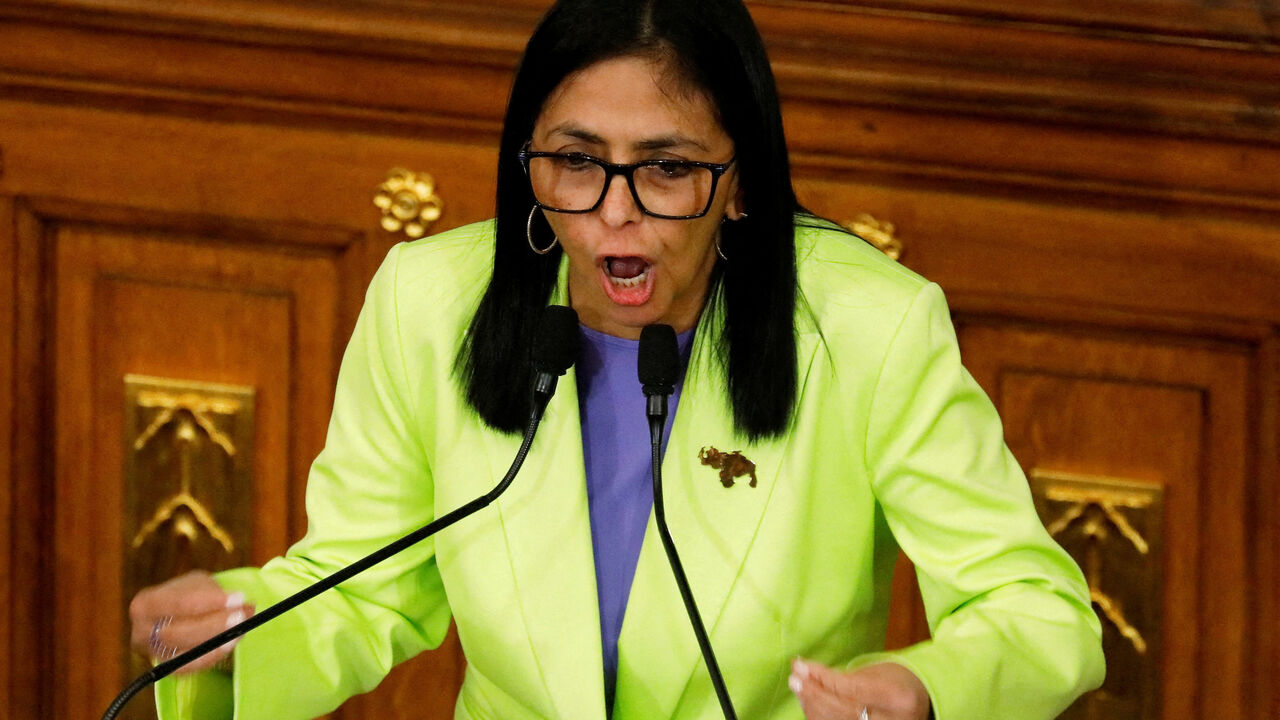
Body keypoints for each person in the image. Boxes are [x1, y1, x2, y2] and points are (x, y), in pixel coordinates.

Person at [128, 0, 1105, 718]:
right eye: (575, 160)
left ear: (740, 182)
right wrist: (237, 633)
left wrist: (923, 689)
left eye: (667, 168)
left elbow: (1038, 610)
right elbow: (366, 582)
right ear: (527, 160)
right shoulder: (429, 302)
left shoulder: (867, 329)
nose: (613, 214)